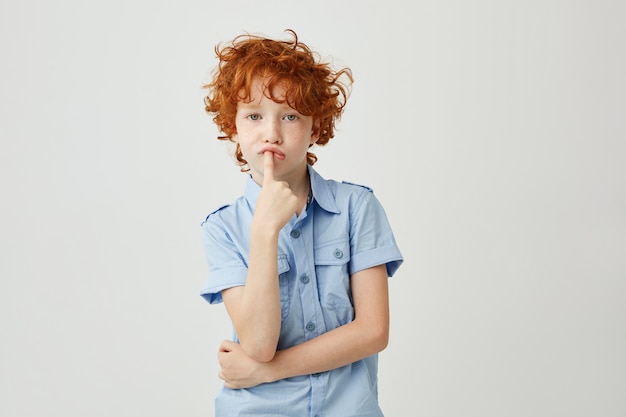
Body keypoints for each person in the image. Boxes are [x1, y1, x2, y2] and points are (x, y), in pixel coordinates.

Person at [199, 29, 403, 417]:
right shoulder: (222, 228)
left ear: (315, 128)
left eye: (290, 116)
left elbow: (373, 332)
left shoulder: (356, 207)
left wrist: (264, 371)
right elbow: (259, 343)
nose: (272, 133)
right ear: (234, 127)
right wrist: (264, 230)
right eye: (254, 116)